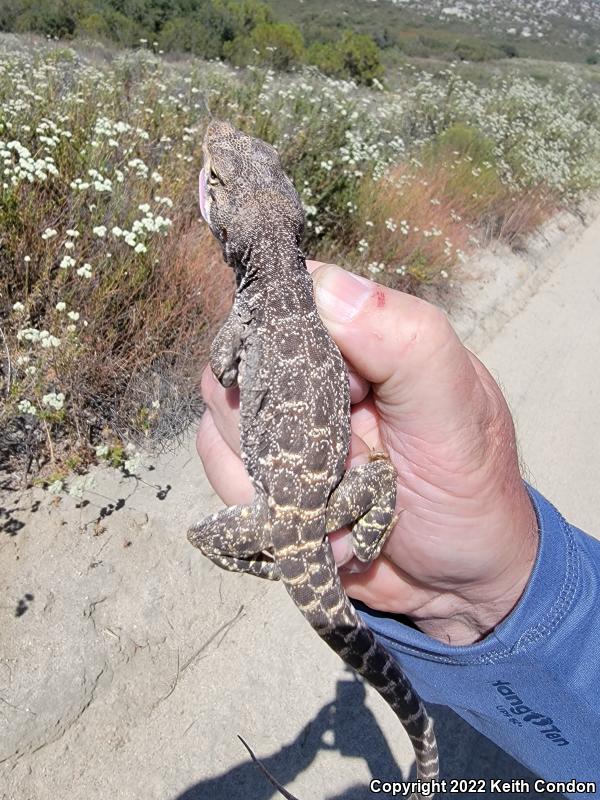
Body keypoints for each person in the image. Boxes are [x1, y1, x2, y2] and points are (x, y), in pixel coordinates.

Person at [196, 261, 600, 796]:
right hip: (325, 507)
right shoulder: (306, 297)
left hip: (289, 514)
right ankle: (330, 547)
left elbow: (224, 370)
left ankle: (285, 555)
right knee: (378, 475)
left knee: (202, 534)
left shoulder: (251, 306)